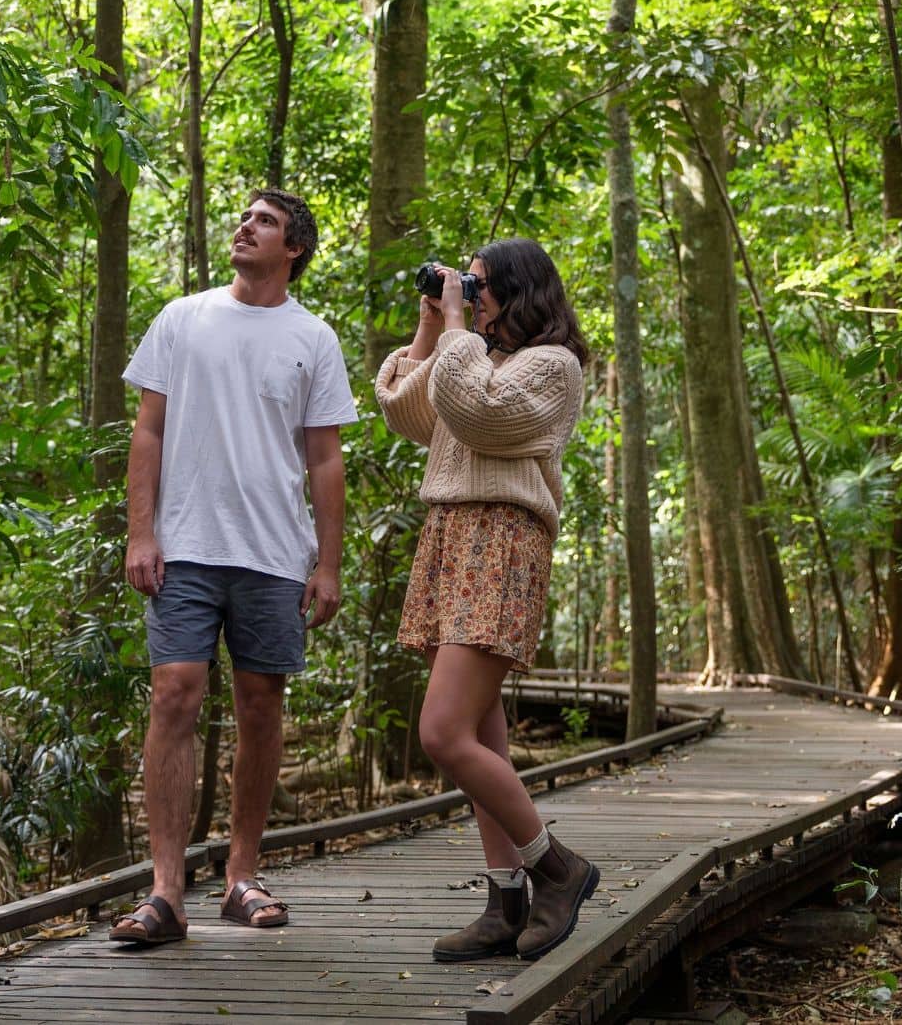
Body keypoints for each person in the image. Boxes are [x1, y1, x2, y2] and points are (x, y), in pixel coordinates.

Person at [110, 189, 357, 945]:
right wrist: (140, 533)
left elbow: (324, 459)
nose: (245, 227)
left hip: (272, 553)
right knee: (173, 695)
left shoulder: (312, 336)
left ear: (295, 249)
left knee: (259, 705)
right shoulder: (183, 318)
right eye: (245, 217)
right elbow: (147, 431)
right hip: (185, 545)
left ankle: (242, 873)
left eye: (265, 222)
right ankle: (165, 892)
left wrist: (328, 565)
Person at [374, 237, 597, 962]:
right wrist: (432, 325)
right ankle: (505, 899)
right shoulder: (472, 353)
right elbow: (409, 414)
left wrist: (458, 333)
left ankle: (555, 867)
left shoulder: (551, 367)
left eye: (478, 285)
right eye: (463, 284)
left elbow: (482, 414)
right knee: (480, 730)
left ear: (518, 290)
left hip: (500, 537)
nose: (467, 294)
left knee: (442, 732)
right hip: (450, 537)